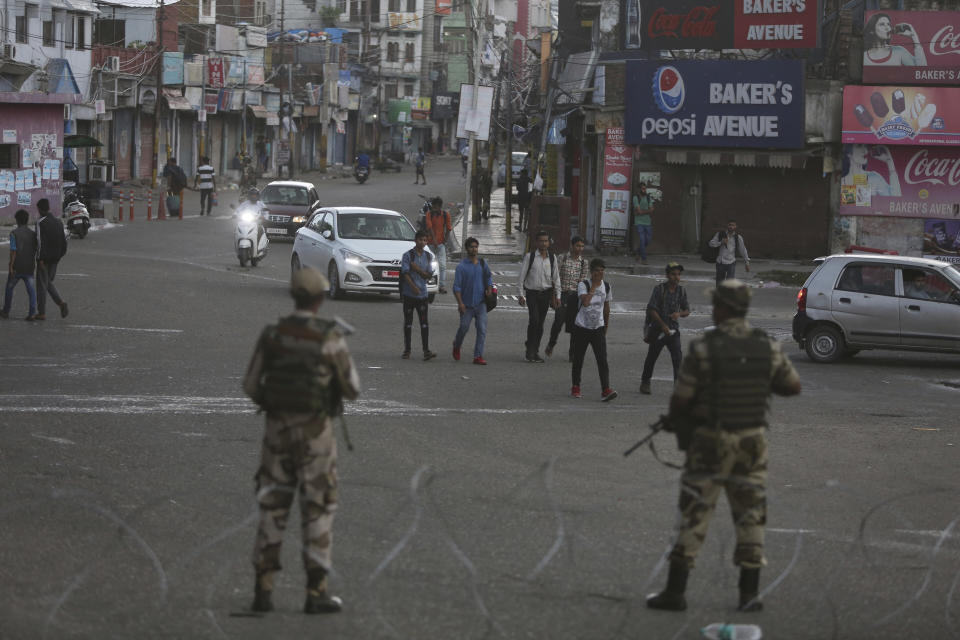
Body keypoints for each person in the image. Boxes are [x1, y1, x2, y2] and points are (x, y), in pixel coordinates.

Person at [646, 279, 801, 613]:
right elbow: (791, 386)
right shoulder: (767, 346)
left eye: (717, 304)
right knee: (751, 515)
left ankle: (675, 592)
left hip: (710, 443)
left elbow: (682, 399)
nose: (713, 309)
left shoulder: (705, 347)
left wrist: (677, 418)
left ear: (725, 308)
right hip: (752, 443)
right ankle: (749, 595)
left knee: (694, 512)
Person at [243, 266, 360, 615]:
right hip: (316, 437)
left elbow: (250, 385)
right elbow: (353, 389)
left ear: (294, 295)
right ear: (320, 298)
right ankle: (316, 591)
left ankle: (263, 590)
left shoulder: (273, 335)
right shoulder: (329, 337)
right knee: (318, 509)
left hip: (277, 433)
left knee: (272, 507)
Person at [571, 258, 618, 401]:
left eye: (602, 270)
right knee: (578, 358)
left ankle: (606, 389)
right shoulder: (583, 285)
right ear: (591, 272)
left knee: (602, 359)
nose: (600, 273)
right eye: (597, 270)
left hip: (598, 327)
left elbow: (606, 307)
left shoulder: (607, 286)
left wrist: (606, 326)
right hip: (582, 327)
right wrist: (594, 287)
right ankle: (576, 386)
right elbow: (585, 303)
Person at [639, 262, 690, 394]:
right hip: (658, 329)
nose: (676, 277)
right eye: (673, 274)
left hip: (673, 330)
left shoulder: (681, 290)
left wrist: (679, 314)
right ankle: (645, 382)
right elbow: (652, 310)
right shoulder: (659, 289)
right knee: (652, 356)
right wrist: (663, 326)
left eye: (678, 274)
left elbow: (687, 310)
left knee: (677, 357)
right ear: (667, 275)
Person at [518, 230, 561, 363]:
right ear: (537, 242)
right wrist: (520, 295)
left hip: (546, 294)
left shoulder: (552, 258)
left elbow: (556, 278)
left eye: (546, 241)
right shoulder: (529, 257)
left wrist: (558, 296)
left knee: (540, 324)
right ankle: (530, 351)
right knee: (534, 321)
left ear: (549, 243)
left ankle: (534, 350)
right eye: (541, 240)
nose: (543, 243)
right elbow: (521, 277)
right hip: (532, 294)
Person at [452, 237, 494, 365]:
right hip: (466, 305)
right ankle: (457, 345)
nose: (474, 249)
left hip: (481, 303)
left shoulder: (482, 263)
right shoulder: (461, 267)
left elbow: (488, 278)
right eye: (471, 247)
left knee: (482, 329)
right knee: (464, 328)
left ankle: (478, 356)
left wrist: (489, 289)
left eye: (476, 246)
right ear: (466, 249)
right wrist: (460, 303)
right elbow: (456, 287)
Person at [546, 236, 588, 361]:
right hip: (562, 294)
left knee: (575, 326)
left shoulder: (583, 262)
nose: (579, 249)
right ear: (572, 245)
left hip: (575, 296)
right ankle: (551, 344)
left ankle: (572, 353)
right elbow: (555, 277)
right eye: (577, 246)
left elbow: (583, 282)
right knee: (558, 322)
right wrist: (553, 297)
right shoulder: (562, 258)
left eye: (582, 246)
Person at [400, 230, 437, 360]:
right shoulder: (408, 255)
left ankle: (426, 350)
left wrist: (417, 269)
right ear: (415, 240)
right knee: (408, 323)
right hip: (409, 294)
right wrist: (413, 286)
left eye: (425, 240)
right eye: (420, 240)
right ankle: (407, 350)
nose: (423, 242)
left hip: (423, 295)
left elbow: (428, 275)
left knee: (424, 323)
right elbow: (405, 273)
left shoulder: (428, 256)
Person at [1, 209, 38, 321]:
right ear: (27, 220)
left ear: (17, 220)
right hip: (29, 267)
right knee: (31, 291)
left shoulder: (14, 233)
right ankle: (32, 313)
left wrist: (11, 266)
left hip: (17, 267)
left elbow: (13, 251)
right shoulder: (33, 234)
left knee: (9, 288)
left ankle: (6, 311)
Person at [34, 198, 68, 321]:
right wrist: (59, 256)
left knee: (42, 285)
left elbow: (40, 242)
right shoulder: (58, 222)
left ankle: (42, 312)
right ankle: (60, 303)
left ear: (40, 209)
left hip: (44, 259)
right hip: (55, 258)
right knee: (47, 282)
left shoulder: (40, 223)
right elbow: (64, 242)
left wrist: (40, 258)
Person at [708, 219, 750, 287]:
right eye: (730, 225)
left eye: (733, 225)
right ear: (727, 225)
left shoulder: (738, 237)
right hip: (720, 262)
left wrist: (747, 262)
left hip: (731, 262)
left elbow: (743, 250)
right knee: (719, 283)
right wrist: (721, 242)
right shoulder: (720, 234)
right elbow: (711, 244)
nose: (731, 226)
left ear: (736, 227)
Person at [424, 196, 452, 294]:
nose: (434, 209)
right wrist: (434, 240)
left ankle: (442, 286)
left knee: (443, 266)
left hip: (440, 245)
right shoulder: (429, 214)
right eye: (433, 207)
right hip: (430, 244)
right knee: (429, 265)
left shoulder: (445, 215)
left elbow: (449, 228)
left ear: (439, 206)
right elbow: (429, 227)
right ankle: (428, 283)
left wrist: (445, 240)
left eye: (435, 207)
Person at [632, 182, 654, 264]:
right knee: (642, 239)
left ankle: (638, 252)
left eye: (645, 188)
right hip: (639, 222)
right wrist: (646, 211)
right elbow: (638, 211)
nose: (644, 190)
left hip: (648, 222)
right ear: (639, 189)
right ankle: (644, 259)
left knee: (647, 240)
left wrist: (642, 212)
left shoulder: (648, 197)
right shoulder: (636, 198)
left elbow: (652, 209)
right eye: (643, 189)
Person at [516, 166, 530, 231]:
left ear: (523, 173)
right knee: (526, 213)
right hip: (527, 198)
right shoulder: (529, 180)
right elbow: (530, 190)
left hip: (521, 198)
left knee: (521, 213)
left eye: (521, 173)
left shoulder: (519, 180)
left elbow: (517, 188)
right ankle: (525, 228)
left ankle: (520, 226)